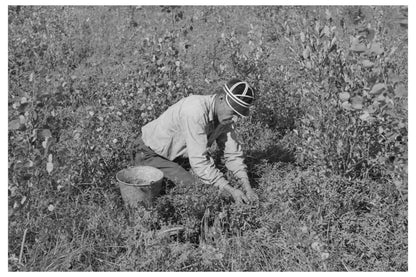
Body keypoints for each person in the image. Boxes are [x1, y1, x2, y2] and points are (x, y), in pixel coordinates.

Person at [134, 78, 258, 204]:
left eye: (238, 115)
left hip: (178, 156)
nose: (235, 120)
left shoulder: (225, 116)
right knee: (200, 191)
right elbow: (199, 161)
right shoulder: (195, 111)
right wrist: (229, 189)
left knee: (210, 181)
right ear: (221, 99)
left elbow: (233, 154)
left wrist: (247, 187)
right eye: (233, 112)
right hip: (149, 154)